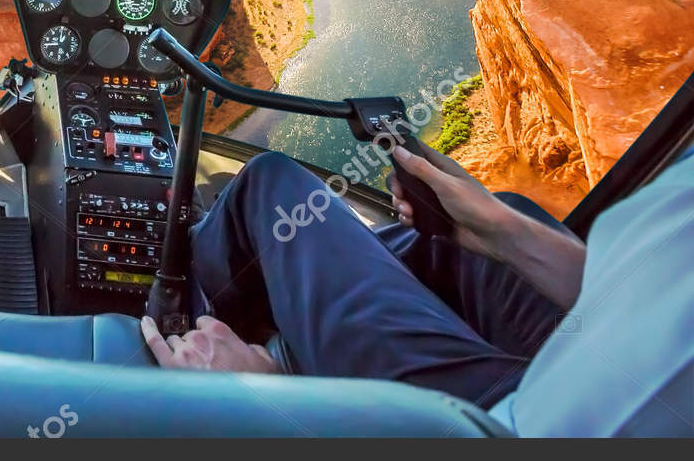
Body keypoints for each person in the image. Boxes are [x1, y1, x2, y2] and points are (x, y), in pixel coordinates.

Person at [140, 141, 694, 437]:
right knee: (498, 220)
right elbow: (655, 291)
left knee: (275, 185)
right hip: (597, 353)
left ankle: (187, 302)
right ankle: (313, 320)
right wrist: (503, 233)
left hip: (505, 429)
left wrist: (271, 399)